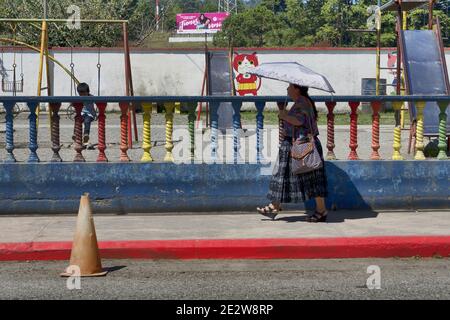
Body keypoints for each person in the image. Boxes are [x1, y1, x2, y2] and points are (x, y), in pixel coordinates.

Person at [257, 84, 328, 223]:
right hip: (294, 145)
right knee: (282, 176)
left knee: (312, 179)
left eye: (289, 86)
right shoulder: (300, 102)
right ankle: (275, 205)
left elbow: (299, 120)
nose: (287, 89)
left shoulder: (302, 102)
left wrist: (285, 116)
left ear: (297, 89)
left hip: (304, 148)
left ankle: (321, 210)